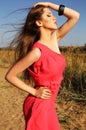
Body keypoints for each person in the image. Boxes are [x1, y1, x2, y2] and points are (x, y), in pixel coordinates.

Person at [5, 2, 80, 130]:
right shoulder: (37, 52)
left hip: (49, 104)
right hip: (39, 104)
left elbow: (75, 16)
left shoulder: (55, 39)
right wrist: (34, 91)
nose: (54, 17)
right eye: (49, 15)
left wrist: (49, 5)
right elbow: (10, 76)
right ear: (39, 23)